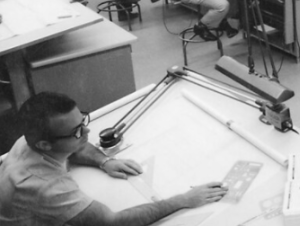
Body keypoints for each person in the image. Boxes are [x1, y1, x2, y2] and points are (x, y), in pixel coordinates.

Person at [0, 92, 228, 225]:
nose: (88, 133)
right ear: (44, 144)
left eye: (83, 121)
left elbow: (74, 146)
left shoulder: (30, 140)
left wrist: (105, 161)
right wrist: (182, 200)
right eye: (77, 131)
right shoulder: (45, 186)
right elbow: (111, 222)